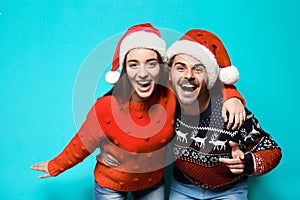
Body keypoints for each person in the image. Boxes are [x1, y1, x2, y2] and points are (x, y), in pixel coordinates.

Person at [30, 23, 245, 200]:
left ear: (162, 68)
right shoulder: (106, 108)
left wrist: (232, 96)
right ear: (124, 71)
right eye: (134, 65)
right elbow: (81, 144)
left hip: (151, 182)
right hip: (111, 184)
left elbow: (203, 80)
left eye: (151, 63)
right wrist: (55, 166)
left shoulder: (171, 93)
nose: (143, 73)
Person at [166, 29, 282, 199]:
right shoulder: (164, 105)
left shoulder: (231, 113)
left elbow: (273, 150)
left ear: (210, 77)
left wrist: (247, 163)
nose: (188, 75)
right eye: (180, 68)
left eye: (198, 70)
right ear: (169, 73)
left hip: (228, 190)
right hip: (183, 186)